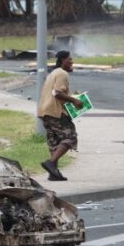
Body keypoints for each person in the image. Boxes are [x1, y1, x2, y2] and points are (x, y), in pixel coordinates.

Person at [37, 51, 83, 181]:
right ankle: (51, 163)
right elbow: (57, 93)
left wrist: (70, 97)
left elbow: (54, 92)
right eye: (70, 59)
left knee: (55, 142)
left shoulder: (53, 73)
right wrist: (74, 100)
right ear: (63, 60)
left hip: (45, 112)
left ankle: (54, 174)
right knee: (70, 137)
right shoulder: (62, 73)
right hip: (56, 112)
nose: (72, 62)